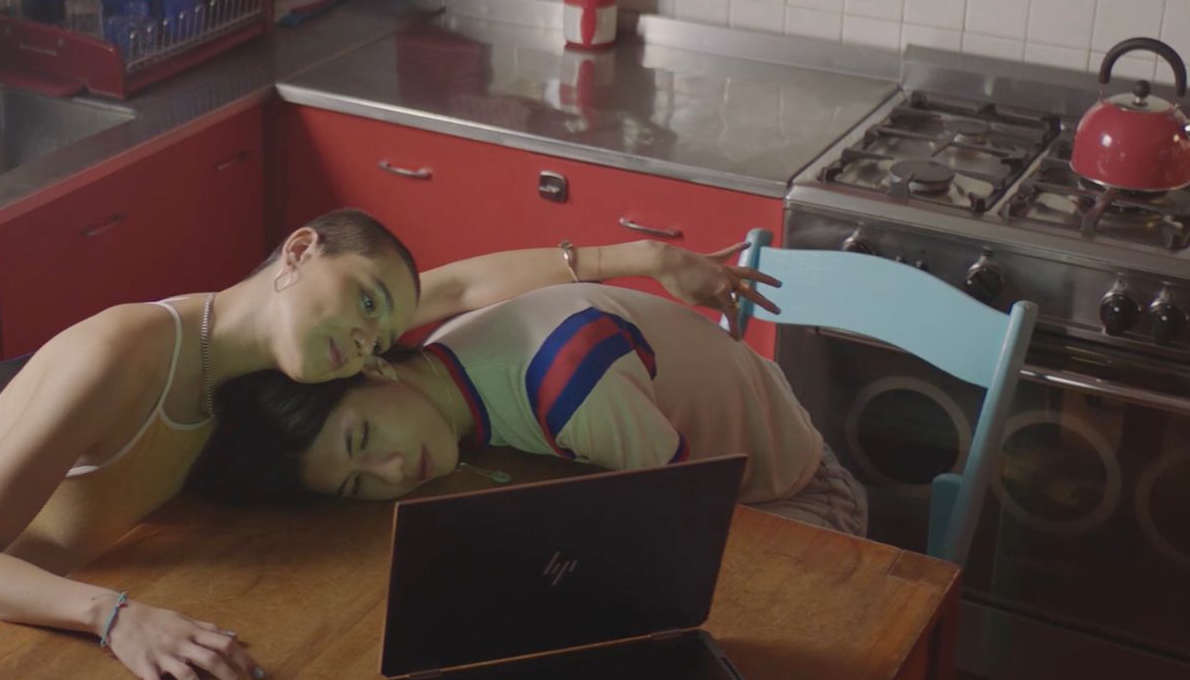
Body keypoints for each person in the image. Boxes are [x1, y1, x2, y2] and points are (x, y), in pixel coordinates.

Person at [0, 207, 769, 680]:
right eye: (361, 302)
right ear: (299, 250)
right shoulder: (122, 354)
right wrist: (116, 617)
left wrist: (652, 258)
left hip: (133, 590)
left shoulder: (255, 376)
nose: (364, 346)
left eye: (379, 333)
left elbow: (465, 285)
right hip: (1, 631)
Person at [192, 280, 867, 538]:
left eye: (362, 436)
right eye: (356, 484)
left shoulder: (567, 386)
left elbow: (682, 535)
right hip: (688, 478)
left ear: (370, 366)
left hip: (794, 494)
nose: (392, 471)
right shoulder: (446, 371)